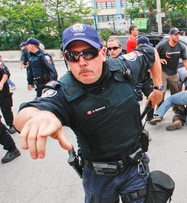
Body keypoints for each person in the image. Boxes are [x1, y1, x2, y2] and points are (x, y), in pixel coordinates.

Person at [14, 23, 163, 203]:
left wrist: (158, 88)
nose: (82, 62)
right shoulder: (64, 91)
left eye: (89, 53)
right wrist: (41, 116)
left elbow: (150, 52)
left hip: (134, 168)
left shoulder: (124, 67)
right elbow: (24, 115)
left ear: (102, 53)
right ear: (66, 59)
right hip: (98, 176)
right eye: (72, 56)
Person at [155, 27, 187, 105]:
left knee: (176, 92)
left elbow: (185, 61)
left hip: (174, 73)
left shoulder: (181, 47)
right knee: (161, 91)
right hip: (162, 72)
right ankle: (159, 111)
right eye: (175, 34)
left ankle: (176, 109)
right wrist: (160, 59)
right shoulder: (162, 45)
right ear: (171, 35)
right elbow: (153, 54)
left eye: (178, 34)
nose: (177, 36)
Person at [0, 58, 17, 134]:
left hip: (3, 91)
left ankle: (11, 125)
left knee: (6, 108)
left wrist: (1, 83)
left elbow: (6, 73)